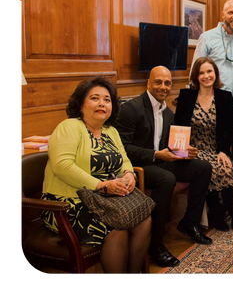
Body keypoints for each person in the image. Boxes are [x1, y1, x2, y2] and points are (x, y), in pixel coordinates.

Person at [41, 76, 151, 276]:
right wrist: (100, 185)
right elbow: (62, 166)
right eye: (94, 98)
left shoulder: (111, 131)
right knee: (116, 227)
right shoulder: (69, 127)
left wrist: (128, 173)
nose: (102, 103)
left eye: (107, 100)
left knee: (144, 219)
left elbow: (124, 159)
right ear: (81, 104)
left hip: (104, 199)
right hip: (66, 203)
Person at [114, 66, 213, 268]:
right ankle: (155, 246)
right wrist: (157, 154)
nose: (163, 87)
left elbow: (169, 147)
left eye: (167, 83)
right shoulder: (131, 109)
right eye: (158, 82)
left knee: (203, 167)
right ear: (148, 83)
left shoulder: (167, 112)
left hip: (160, 163)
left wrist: (184, 152)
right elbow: (122, 148)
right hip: (137, 167)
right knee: (165, 179)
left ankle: (190, 222)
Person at [174, 58, 233, 237]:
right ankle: (217, 214)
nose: (206, 76)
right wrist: (183, 152)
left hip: (215, 149)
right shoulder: (186, 96)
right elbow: (178, 127)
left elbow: (228, 130)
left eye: (209, 71)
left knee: (226, 167)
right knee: (212, 169)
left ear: (215, 74)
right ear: (196, 76)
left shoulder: (224, 97)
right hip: (193, 150)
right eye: (201, 73)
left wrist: (223, 152)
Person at [191, 0, 233, 210]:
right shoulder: (207, 37)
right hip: (214, 105)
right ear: (223, 14)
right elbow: (195, 69)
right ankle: (220, 195)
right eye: (231, 12)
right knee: (219, 149)